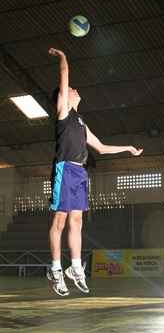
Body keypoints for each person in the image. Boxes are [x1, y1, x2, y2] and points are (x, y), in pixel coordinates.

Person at [46, 48, 143, 296]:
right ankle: (56, 269)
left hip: (80, 174)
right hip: (65, 168)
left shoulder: (81, 122)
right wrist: (63, 56)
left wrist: (128, 148)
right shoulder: (64, 113)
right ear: (64, 97)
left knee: (77, 221)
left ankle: (75, 268)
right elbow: (64, 73)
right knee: (60, 221)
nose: (74, 89)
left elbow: (100, 147)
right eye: (70, 89)